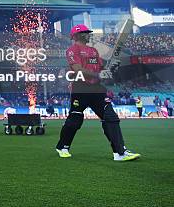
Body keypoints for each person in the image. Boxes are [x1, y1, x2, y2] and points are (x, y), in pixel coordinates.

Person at [55, 24, 140, 161]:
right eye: (86, 33)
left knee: (111, 117)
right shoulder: (72, 50)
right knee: (75, 119)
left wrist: (110, 68)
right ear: (77, 35)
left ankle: (119, 153)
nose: (89, 35)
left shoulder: (93, 51)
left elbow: (101, 68)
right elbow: (78, 69)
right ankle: (63, 147)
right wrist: (98, 74)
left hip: (97, 89)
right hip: (80, 88)